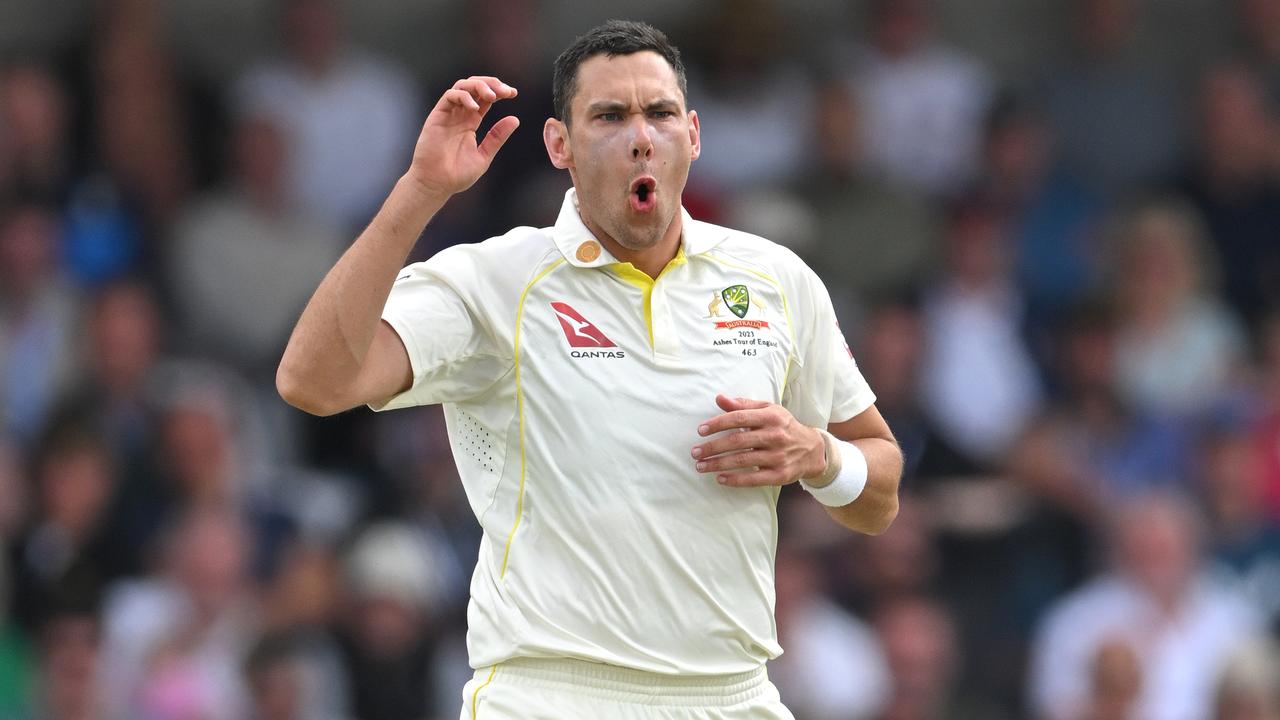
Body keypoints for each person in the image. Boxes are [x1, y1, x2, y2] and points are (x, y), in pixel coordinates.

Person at [277, 20, 903, 720]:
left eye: (660, 114)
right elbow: (314, 381)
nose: (641, 136)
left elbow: (879, 491)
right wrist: (422, 190)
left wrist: (817, 455)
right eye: (609, 116)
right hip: (548, 697)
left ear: (693, 136)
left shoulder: (776, 279)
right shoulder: (496, 280)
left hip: (734, 697)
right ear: (559, 146)